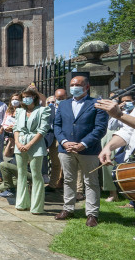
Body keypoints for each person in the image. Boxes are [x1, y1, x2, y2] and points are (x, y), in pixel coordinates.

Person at [53, 76, 108, 227]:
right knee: (68, 180)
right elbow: (57, 125)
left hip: (88, 150)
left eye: (78, 84)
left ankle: (92, 214)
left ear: (87, 87)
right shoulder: (63, 104)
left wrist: (83, 144)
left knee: (91, 182)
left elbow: (100, 128)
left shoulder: (96, 104)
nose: (74, 87)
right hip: (66, 149)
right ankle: (68, 208)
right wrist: (64, 142)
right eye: (72, 84)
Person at [13, 88, 51, 214]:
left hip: (35, 143)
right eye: (23, 97)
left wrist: (29, 144)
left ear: (34, 97)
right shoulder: (19, 111)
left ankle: (37, 206)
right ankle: (22, 202)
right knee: (21, 173)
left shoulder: (42, 110)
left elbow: (42, 130)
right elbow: (16, 128)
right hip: (20, 143)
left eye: (28, 96)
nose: (25, 99)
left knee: (36, 174)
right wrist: (18, 142)